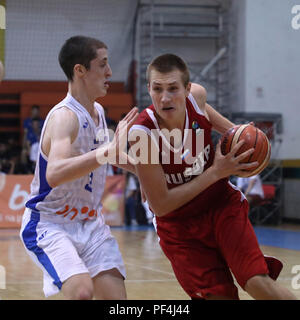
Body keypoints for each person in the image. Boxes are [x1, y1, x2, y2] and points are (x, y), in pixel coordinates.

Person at [128, 53, 296, 300]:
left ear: (187, 89)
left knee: (258, 284)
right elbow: (161, 206)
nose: (165, 98)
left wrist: (245, 144)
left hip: (220, 205)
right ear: (148, 89)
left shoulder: (197, 98)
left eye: (173, 88)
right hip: (179, 227)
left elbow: (225, 128)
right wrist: (216, 171)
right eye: (157, 89)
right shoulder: (142, 134)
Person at [19, 36, 138, 300]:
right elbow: (56, 172)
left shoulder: (96, 110)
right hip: (50, 223)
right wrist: (105, 152)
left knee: (116, 300)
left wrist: (151, 172)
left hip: (90, 223)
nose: (109, 72)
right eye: (103, 64)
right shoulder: (65, 117)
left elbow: (111, 155)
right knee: (82, 292)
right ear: (80, 70)